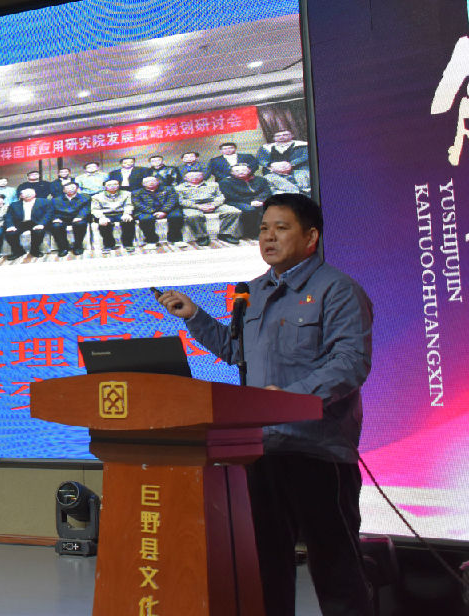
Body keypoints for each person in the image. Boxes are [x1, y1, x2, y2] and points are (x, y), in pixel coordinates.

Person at [154, 194, 374, 616]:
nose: (268, 237)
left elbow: (350, 363)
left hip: (318, 451)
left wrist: (291, 399)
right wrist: (194, 315)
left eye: (281, 228)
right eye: (263, 229)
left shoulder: (338, 290)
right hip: (261, 450)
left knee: (337, 571)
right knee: (266, 571)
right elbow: (237, 353)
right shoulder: (252, 292)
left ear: (311, 237)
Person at [175, 170, 240, 245]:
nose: (195, 177)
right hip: (193, 206)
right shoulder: (179, 188)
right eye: (191, 176)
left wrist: (214, 205)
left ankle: (225, 234)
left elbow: (220, 196)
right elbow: (181, 201)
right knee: (192, 216)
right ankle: (201, 236)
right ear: (185, 178)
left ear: (203, 176)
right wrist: (198, 206)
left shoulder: (214, 185)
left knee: (234, 211)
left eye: (198, 175)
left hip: (213, 204)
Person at [220, 163, 272, 238]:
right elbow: (231, 196)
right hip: (237, 201)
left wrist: (259, 200)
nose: (241, 172)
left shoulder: (260, 179)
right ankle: (252, 233)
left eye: (244, 170)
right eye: (237, 171)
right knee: (249, 209)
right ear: (231, 172)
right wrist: (250, 202)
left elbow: (266, 191)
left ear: (249, 170)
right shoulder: (225, 182)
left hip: (258, 200)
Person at [131, 175, 186, 247]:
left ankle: (175, 239)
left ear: (158, 181)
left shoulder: (169, 189)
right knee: (145, 219)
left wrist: (163, 211)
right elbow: (138, 204)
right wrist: (153, 212)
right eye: (147, 182)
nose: (151, 183)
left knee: (176, 216)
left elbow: (172, 201)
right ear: (143, 184)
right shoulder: (136, 192)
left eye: (153, 181)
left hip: (168, 209)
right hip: (147, 211)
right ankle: (151, 241)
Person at [4, 187, 53, 260]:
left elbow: (48, 214)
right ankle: (18, 251)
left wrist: (41, 224)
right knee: (10, 233)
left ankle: (34, 250)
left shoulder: (44, 201)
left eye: (30, 194)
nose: (28, 196)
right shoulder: (14, 204)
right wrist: (10, 226)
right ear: (21, 196)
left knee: (39, 232)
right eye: (25, 194)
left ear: (35, 194)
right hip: (21, 223)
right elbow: (8, 216)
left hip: (37, 222)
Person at [90, 179, 135, 251]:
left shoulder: (127, 194)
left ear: (119, 185)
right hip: (105, 214)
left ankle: (128, 244)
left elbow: (128, 205)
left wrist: (127, 213)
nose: (112, 186)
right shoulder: (96, 196)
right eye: (109, 185)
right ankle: (108, 245)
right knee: (104, 224)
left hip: (121, 213)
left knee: (128, 221)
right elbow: (95, 209)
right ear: (105, 187)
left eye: (115, 184)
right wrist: (101, 217)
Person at [49, 181, 91, 256]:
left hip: (78, 217)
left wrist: (80, 217)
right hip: (62, 218)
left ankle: (78, 246)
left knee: (80, 224)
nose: (70, 189)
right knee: (56, 226)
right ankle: (63, 247)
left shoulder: (85, 197)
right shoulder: (55, 200)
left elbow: (86, 209)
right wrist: (55, 218)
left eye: (72, 187)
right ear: (63, 190)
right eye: (67, 188)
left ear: (77, 189)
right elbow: (51, 211)